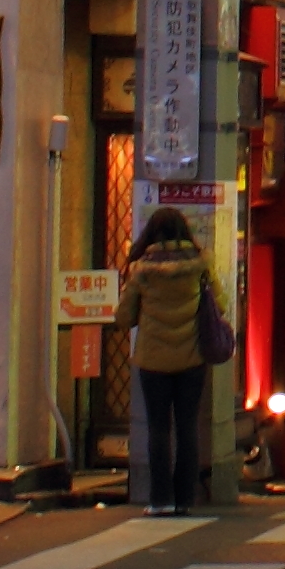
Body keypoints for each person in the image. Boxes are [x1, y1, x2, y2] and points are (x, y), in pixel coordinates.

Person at [114, 208, 214, 517]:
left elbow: (124, 316)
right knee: (187, 428)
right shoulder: (200, 265)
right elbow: (219, 304)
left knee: (158, 429)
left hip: (153, 360)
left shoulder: (141, 270)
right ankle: (185, 497)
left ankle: (160, 499)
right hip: (192, 357)